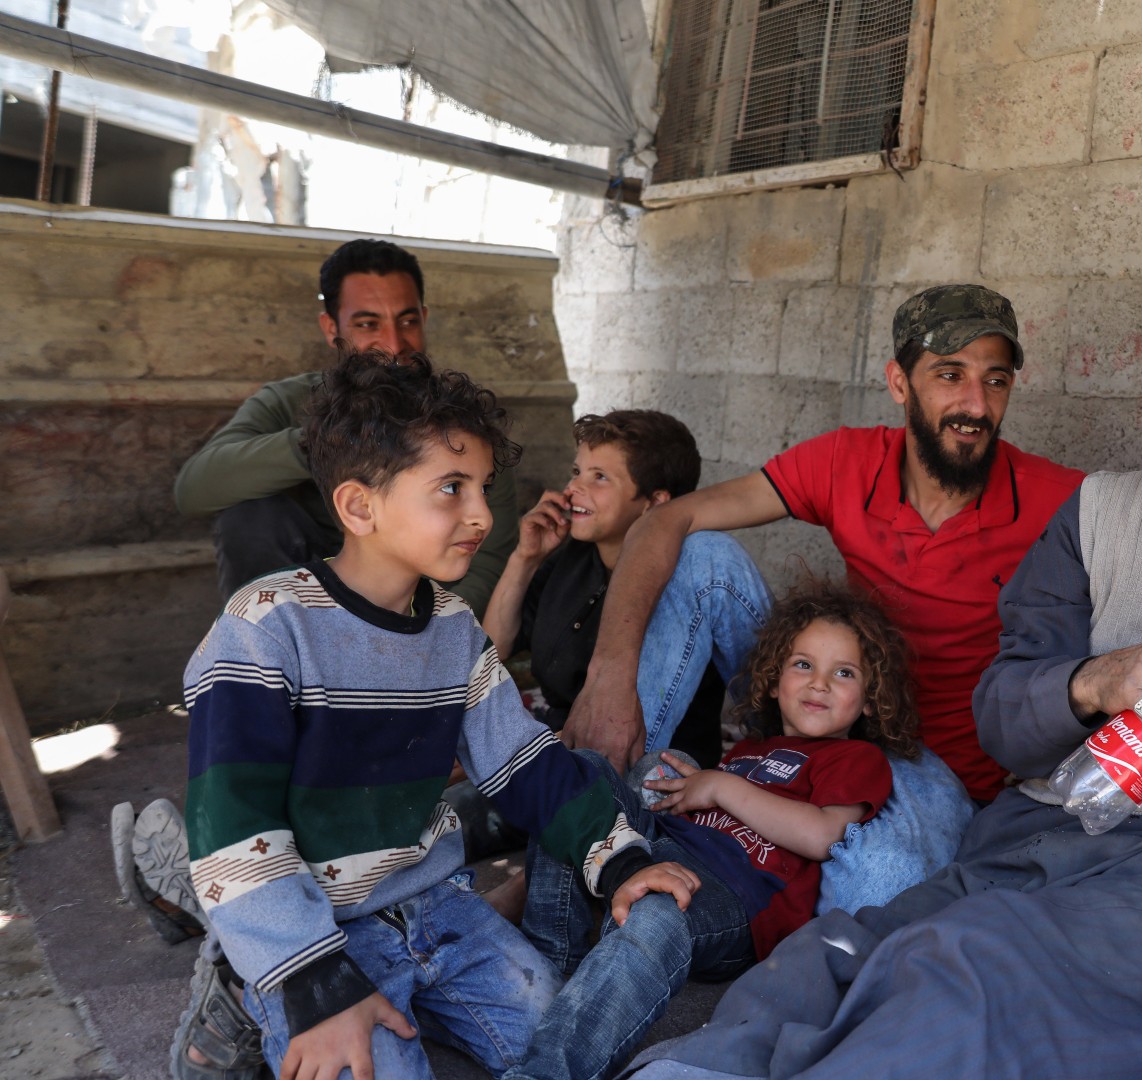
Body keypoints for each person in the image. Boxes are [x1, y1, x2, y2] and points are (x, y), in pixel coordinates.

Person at [628, 307, 1142, 1079]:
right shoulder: (1096, 519)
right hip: (1058, 831)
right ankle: (701, 1068)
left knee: (982, 965)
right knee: (845, 948)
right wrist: (1094, 680)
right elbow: (1003, 721)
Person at [175, 352, 655, 1080]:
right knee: (365, 1064)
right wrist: (312, 984)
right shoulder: (265, 629)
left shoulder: (454, 631)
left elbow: (522, 760)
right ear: (359, 507)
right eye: (451, 489)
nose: (484, 515)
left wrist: (617, 858)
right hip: (313, 925)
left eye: (483, 488)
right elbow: (233, 828)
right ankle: (250, 987)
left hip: (434, 907)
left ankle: (397, 989)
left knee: (556, 1038)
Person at [562, 284, 1084, 801]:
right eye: (950, 375)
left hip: (937, 777)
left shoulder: (1059, 502)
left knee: (874, 867)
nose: (976, 404)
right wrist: (609, 681)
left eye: (995, 381)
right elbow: (662, 521)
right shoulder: (846, 462)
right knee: (704, 557)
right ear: (899, 383)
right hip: (824, 716)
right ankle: (596, 818)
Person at [507, 582, 919, 1080]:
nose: (820, 683)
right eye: (803, 664)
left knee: (657, 910)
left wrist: (721, 787)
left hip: (738, 898)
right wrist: (678, 787)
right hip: (667, 848)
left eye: (845, 673)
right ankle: (554, 963)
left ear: (871, 700)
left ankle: (548, 1071)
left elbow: (821, 835)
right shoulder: (749, 752)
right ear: (771, 680)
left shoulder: (856, 759)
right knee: (580, 778)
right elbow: (696, 811)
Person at [174, 238, 520, 615]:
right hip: (299, 604)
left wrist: (421, 640)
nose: (392, 344)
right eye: (368, 323)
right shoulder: (289, 401)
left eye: (407, 321)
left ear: (424, 318)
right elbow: (193, 489)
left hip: (414, 612)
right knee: (249, 515)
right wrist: (331, 441)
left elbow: (489, 558)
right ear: (330, 327)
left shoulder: (459, 420)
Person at [482, 409, 768, 767]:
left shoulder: (687, 582)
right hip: (560, 743)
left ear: (655, 503)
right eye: (576, 472)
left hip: (653, 764)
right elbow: (494, 646)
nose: (573, 490)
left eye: (599, 477)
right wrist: (525, 558)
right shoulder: (570, 557)